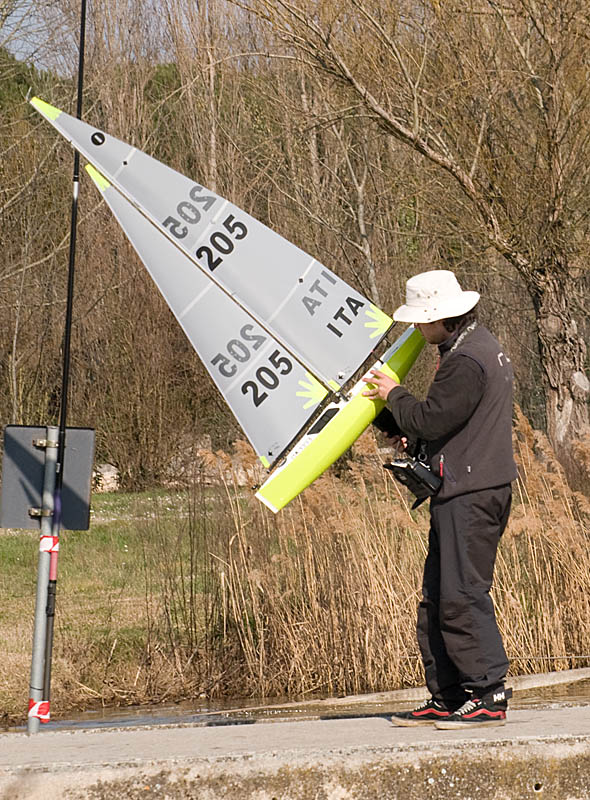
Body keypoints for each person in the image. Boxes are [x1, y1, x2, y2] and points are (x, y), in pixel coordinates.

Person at [363, 269, 517, 729]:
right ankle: (448, 696)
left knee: (462, 595)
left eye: (419, 320)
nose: (415, 328)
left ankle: (489, 693)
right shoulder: (474, 346)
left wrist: (394, 395)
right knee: (436, 597)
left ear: (438, 316)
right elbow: (446, 425)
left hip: (472, 493)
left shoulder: (468, 359)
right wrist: (409, 432)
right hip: (465, 488)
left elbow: (430, 419)